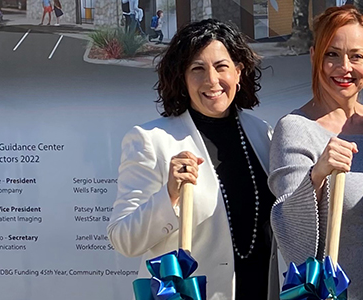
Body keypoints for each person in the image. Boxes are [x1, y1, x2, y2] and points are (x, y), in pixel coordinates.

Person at [108, 19, 280, 300]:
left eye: (221, 66)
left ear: (238, 71)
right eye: (197, 69)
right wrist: (169, 195)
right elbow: (124, 239)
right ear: (182, 79)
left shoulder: (264, 134)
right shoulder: (151, 139)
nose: (212, 80)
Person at [269, 5, 363, 300]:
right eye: (332, 54)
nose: (345, 67)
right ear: (314, 57)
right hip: (332, 293)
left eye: (356, 56)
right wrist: (317, 175)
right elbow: (288, 230)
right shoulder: (295, 129)